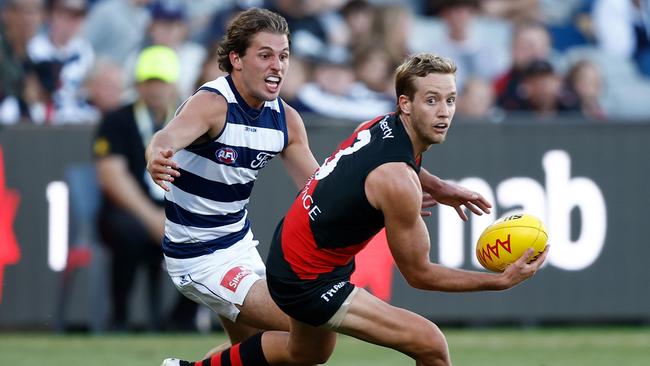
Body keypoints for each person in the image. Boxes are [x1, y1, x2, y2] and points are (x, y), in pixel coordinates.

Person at [148, 8, 493, 362]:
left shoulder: (285, 120)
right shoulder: (213, 104)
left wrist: (395, 191)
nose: (277, 66)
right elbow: (167, 136)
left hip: (238, 243)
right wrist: (158, 154)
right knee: (304, 332)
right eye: (265, 55)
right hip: (198, 256)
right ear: (236, 59)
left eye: (283, 56)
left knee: (258, 353)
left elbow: (318, 184)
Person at [93, 45, 179, 331]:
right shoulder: (117, 119)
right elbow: (111, 175)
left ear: (173, 85)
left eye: (162, 82)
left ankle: (180, 319)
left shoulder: (185, 121)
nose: (156, 90)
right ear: (138, 85)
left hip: (172, 210)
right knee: (128, 231)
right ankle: (119, 316)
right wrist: (151, 218)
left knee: (211, 234)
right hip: (127, 210)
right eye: (150, 81)